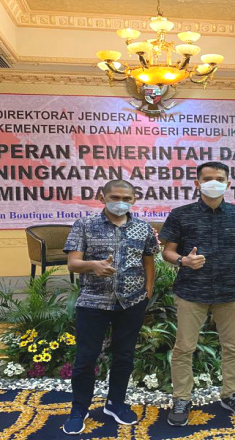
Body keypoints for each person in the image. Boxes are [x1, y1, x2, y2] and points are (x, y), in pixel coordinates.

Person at [159, 161, 235, 426]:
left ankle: (232, 394)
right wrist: (183, 260)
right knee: (184, 347)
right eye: (207, 178)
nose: (213, 183)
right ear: (197, 183)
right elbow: (167, 251)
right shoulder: (181, 214)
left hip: (230, 291)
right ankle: (182, 398)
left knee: (233, 346)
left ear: (228, 183)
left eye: (219, 178)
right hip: (191, 291)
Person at [62, 179, 159, 435]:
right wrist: (93, 265)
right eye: (115, 197)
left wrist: (148, 290)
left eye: (127, 198)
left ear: (134, 200)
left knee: (124, 356)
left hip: (131, 302)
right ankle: (79, 409)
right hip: (93, 301)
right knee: (85, 358)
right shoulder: (84, 225)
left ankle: (116, 403)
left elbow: (149, 261)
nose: (121, 203)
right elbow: (73, 263)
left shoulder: (143, 228)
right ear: (102, 197)